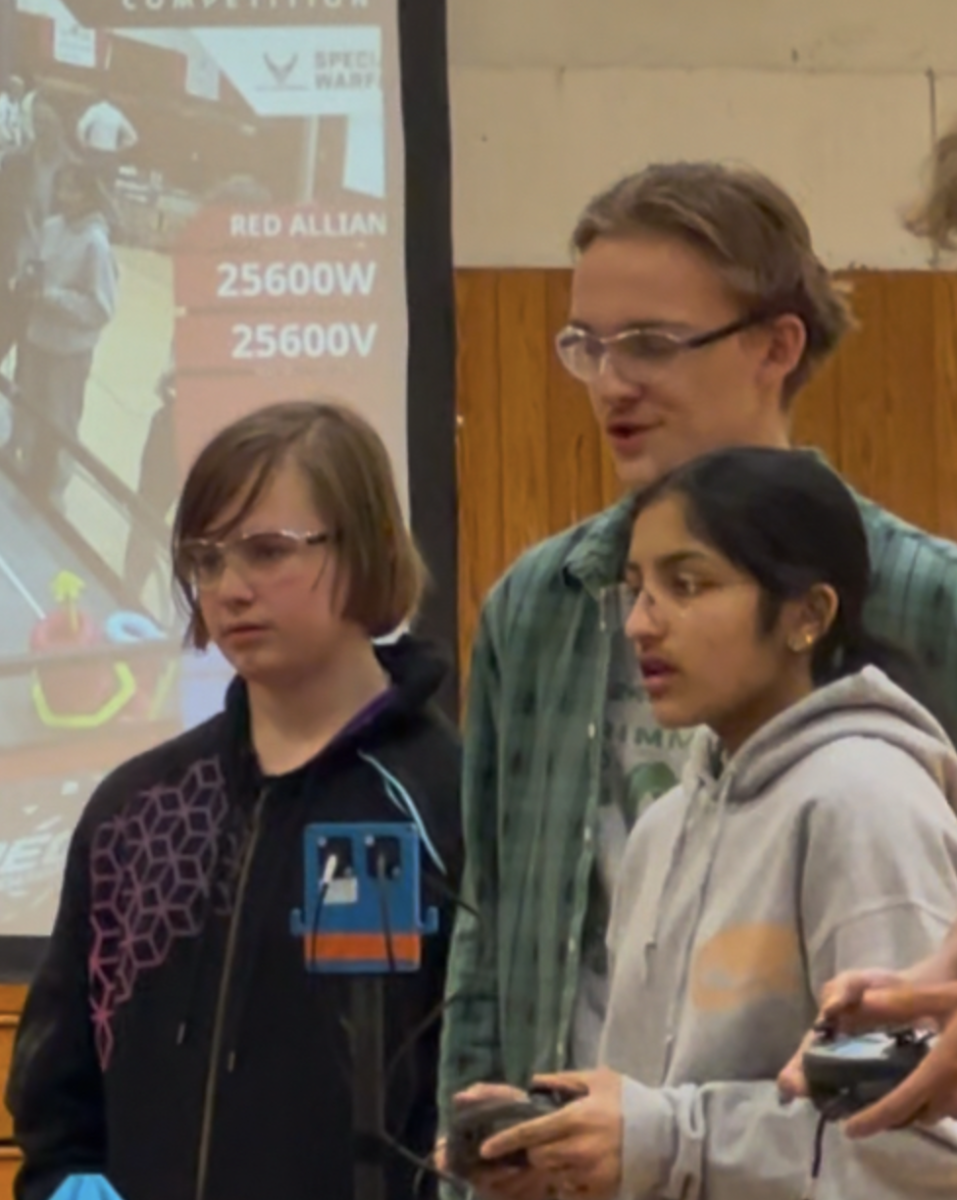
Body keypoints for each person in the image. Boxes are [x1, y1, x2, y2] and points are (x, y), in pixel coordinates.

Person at [437, 161, 957, 1147]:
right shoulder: (537, 606)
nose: (610, 381)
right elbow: (489, 924)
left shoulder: (931, 598)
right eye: (586, 344)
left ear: (777, 345)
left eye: (649, 343)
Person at [452, 446, 957, 1200]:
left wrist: (662, 1140)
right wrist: (566, 1150)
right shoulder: (660, 828)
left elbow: (922, 1145)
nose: (638, 625)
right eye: (635, 588)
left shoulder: (864, 799)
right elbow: (657, 1129)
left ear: (806, 616)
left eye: (686, 586)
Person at [6, 399, 463, 1200]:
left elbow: (475, 1087)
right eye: (208, 559)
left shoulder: (446, 801)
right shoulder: (134, 811)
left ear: (365, 548)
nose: (230, 588)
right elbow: (57, 1101)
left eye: (266, 551)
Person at [13, 161, 117, 504]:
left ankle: (53, 495)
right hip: (37, 340)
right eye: (60, 188)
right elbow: (36, 268)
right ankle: (25, 475)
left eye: (72, 189)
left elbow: (101, 308)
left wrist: (53, 298)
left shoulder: (96, 243)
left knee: (59, 424)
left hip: (68, 354)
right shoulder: (51, 226)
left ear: (89, 194)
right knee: (28, 413)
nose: (63, 196)